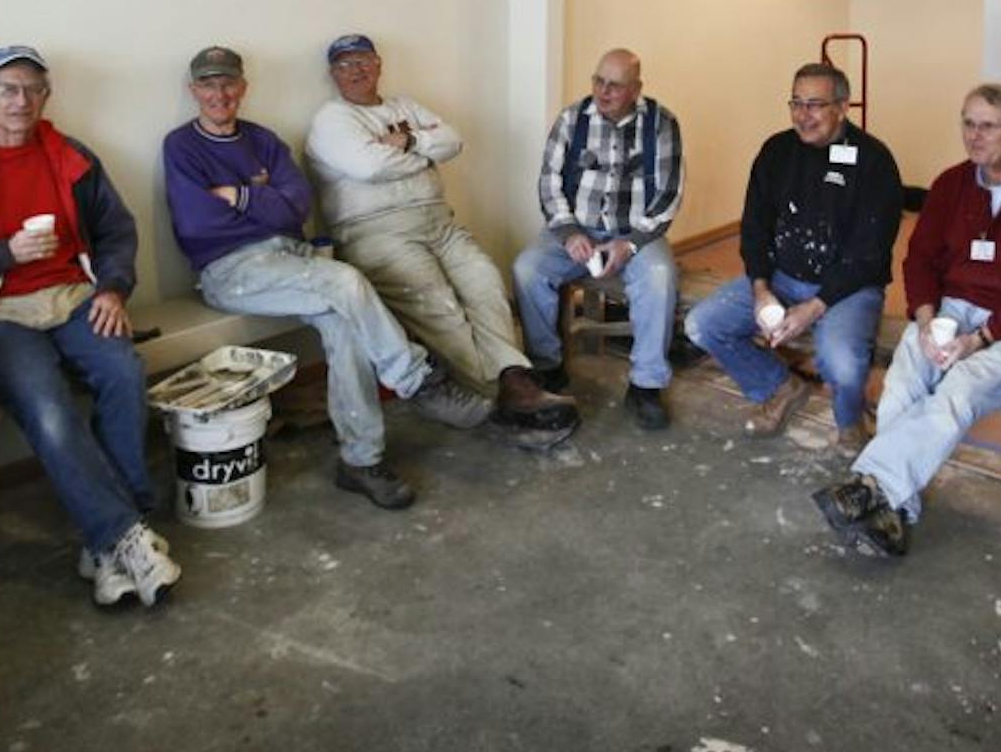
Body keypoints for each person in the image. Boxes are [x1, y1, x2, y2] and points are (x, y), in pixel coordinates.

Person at [0, 45, 180, 610]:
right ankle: (125, 533)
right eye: (8, 89)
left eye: (33, 89)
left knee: (123, 372)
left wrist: (112, 288)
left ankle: (108, 543)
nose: (21, 101)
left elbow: (116, 232)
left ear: (46, 97)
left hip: (73, 297)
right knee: (48, 403)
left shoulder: (72, 157)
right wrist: (1, 254)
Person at [162, 46, 490, 510]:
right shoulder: (181, 146)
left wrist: (237, 197)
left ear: (243, 87)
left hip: (291, 258)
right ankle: (415, 378)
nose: (220, 93)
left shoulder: (263, 140)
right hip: (231, 270)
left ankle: (361, 461)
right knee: (346, 282)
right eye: (209, 84)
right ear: (194, 90)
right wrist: (263, 198)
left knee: (344, 327)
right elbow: (198, 223)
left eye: (229, 82)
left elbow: (296, 206)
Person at [812, 84, 1001, 556]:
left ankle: (870, 485)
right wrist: (924, 318)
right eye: (968, 123)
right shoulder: (951, 184)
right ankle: (894, 511)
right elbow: (920, 259)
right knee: (903, 382)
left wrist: (981, 339)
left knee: (960, 390)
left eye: (988, 126)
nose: (974, 136)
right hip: (953, 310)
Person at [303, 34, 578, 446]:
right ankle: (500, 393)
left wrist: (410, 141)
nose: (356, 71)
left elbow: (453, 141)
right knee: (439, 304)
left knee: (485, 281)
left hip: (438, 222)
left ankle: (512, 376)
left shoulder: (405, 106)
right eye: (345, 65)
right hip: (376, 232)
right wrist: (424, 153)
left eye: (363, 61)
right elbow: (369, 167)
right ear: (333, 74)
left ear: (378, 65)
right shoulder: (332, 120)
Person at [684, 62, 901, 451]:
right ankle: (780, 386)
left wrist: (815, 307)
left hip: (848, 289)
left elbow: (870, 254)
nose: (803, 115)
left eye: (815, 105)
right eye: (796, 103)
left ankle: (850, 422)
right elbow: (754, 228)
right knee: (702, 324)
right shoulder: (777, 152)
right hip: (782, 278)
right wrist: (760, 288)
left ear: (843, 107)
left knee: (842, 362)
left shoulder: (874, 161)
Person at [511, 49, 686, 430]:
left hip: (635, 232)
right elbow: (549, 184)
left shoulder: (661, 124)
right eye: (598, 81)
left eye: (615, 86)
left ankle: (646, 384)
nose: (603, 92)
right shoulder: (571, 120)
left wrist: (630, 243)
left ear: (636, 89)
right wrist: (569, 232)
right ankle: (548, 365)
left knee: (659, 277)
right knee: (527, 269)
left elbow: (668, 196)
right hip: (577, 228)